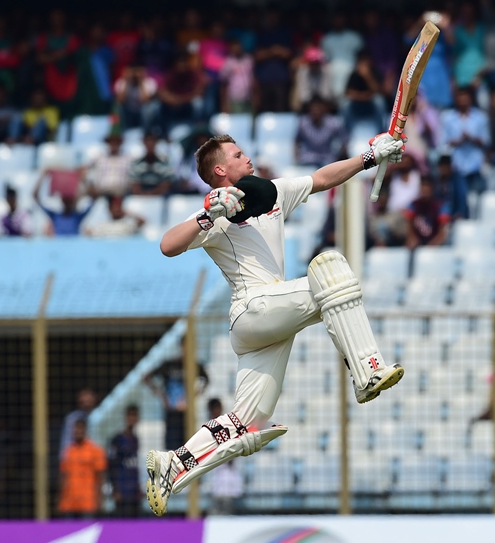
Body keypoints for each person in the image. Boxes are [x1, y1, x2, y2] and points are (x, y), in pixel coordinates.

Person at [143, 130, 405, 516]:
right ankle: (367, 371)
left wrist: (368, 157)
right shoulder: (215, 212)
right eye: (238, 154)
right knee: (330, 268)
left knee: (248, 422)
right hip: (253, 308)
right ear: (220, 169)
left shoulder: (269, 192)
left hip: (267, 323)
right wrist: (205, 216)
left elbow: (322, 178)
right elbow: (167, 245)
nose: (247, 158)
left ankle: (174, 465)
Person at [144, 357, 209, 453]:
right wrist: (161, 395)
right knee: (172, 451)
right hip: (171, 415)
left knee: (188, 448)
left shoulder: (193, 365)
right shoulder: (169, 365)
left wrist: (195, 395)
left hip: (187, 416)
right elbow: (147, 378)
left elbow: (206, 380)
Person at [443, 86, 489, 196]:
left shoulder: (480, 117)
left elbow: (486, 141)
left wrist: (471, 138)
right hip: (456, 163)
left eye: (465, 97)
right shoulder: (448, 118)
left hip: (476, 164)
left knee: (475, 197)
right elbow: (444, 143)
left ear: (471, 98)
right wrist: (459, 141)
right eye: (460, 97)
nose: (463, 100)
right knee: (460, 196)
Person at [58, 419, 106, 519]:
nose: (78, 431)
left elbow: (100, 476)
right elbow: (63, 475)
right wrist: (60, 497)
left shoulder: (95, 450)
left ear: (85, 430)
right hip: (69, 501)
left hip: (87, 501)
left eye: (81, 428)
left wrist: (100, 499)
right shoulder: (68, 451)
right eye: (76, 428)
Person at [204, 398, 243, 515]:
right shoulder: (207, 429)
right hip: (215, 475)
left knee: (228, 509)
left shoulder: (227, 426)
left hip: (228, 475)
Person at [33, 168, 94, 237]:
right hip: (58, 246)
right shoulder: (55, 216)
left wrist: (83, 179)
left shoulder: (77, 217)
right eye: (65, 199)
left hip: (74, 247)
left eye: (70, 200)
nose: (68, 202)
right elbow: (35, 197)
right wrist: (43, 176)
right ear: (62, 201)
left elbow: (94, 198)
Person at [108, 405, 142, 518]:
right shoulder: (117, 439)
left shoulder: (135, 439)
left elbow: (134, 466)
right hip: (122, 491)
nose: (132, 419)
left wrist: (138, 487)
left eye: (134, 416)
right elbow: (112, 465)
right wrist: (115, 489)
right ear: (126, 418)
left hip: (134, 491)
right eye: (130, 416)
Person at [294, 97, 347, 168]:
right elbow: (296, 141)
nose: (316, 112)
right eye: (314, 109)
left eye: (318, 109)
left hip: (328, 159)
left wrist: (341, 157)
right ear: (310, 109)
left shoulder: (333, 123)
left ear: (323, 109)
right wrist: (297, 158)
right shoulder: (303, 123)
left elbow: (344, 140)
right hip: (307, 159)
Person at [404, 176, 449, 249]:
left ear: (432, 190)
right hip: (417, 245)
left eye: (427, 189)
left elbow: (443, 233)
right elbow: (408, 227)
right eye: (423, 189)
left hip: (435, 247)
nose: (425, 192)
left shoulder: (441, 206)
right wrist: (412, 238)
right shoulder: (413, 205)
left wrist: (431, 246)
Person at [129, 130, 173, 196]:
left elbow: (167, 183)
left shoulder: (164, 162)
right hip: (140, 197)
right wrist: (144, 195)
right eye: (147, 141)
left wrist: (151, 194)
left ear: (156, 142)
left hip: (159, 197)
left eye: (152, 141)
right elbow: (134, 184)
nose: (150, 144)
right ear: (144, 142)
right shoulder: (136, 163)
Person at [59, 388, 99, 457]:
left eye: (89, 397)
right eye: (83, 397)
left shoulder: (102, 416)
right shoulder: (71, 418)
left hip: (96, 458)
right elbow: (66, 443)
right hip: (77, 457)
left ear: (95, 398)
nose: (86, 401)